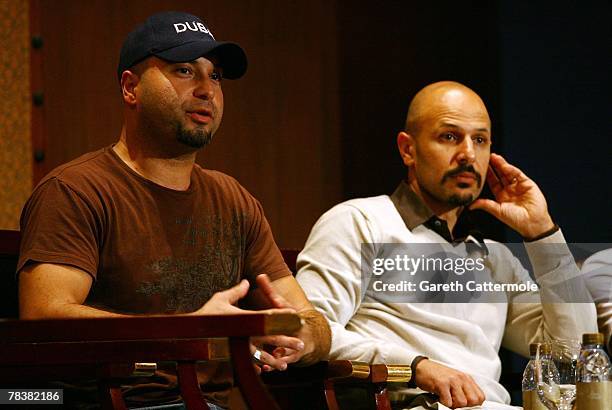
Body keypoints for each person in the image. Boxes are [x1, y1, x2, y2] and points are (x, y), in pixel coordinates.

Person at [17, 11, 330, 409]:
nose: (206, 90)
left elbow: (315, 322)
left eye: (214, 75)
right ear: (131, 88)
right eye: (184, 70)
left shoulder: (234, 199)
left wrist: (298, 337)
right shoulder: (76, 190)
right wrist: (192, 331)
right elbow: (44, 317)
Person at [296, 81, 597, 409]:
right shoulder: (360, 221)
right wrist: (415, 366)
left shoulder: (493, 257)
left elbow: (572, 351)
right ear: (408, 149)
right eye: (449, 137)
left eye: (479, 140)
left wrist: (542, 234)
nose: (468, 154)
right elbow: (312, 332)